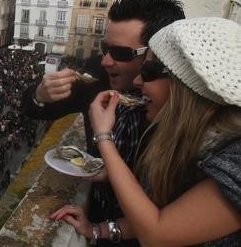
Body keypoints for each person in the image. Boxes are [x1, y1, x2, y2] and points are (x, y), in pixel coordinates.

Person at [52, 17, 241, 245]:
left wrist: (104, 137)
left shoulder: (235, 157)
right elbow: (168, 215)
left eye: (150, 72)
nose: (139, 80)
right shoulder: (188, 137)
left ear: (186, 86)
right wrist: (97, 230)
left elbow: (157, 233)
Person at [22, 0, 185, 244]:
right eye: (105, 47)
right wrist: (41, 93)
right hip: (100, 216)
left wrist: (104, 137)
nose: (107, 61)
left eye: (121, 53)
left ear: (158, 53)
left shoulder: (184, 110)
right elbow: (33, 109)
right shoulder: (97, 74)